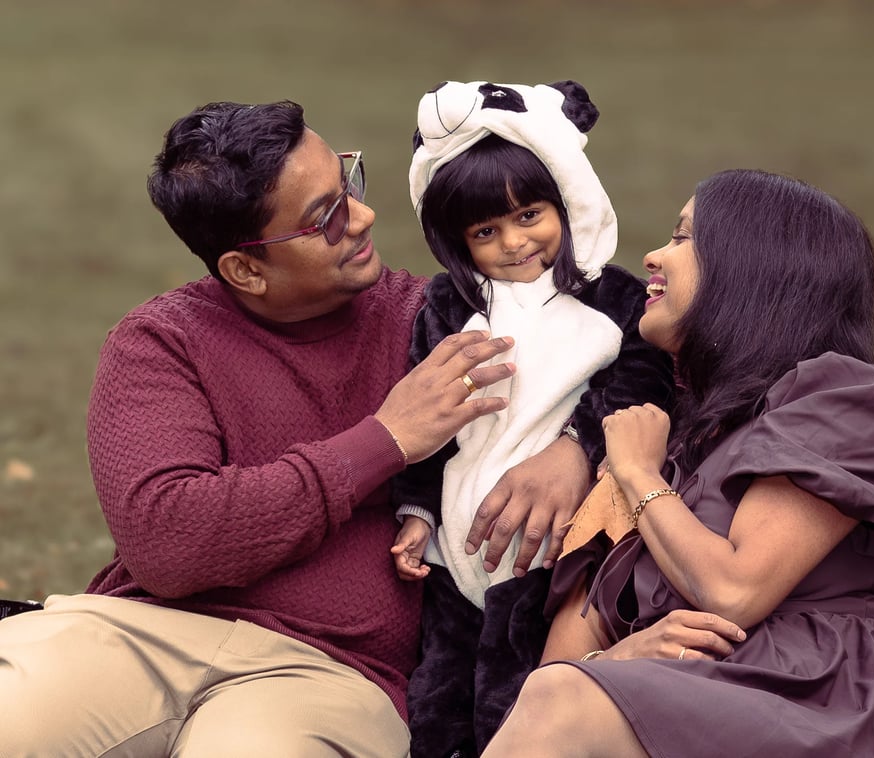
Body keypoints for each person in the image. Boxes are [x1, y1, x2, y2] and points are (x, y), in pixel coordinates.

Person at [0, 100, 592, 757]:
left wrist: (577, 449)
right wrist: (385, 441)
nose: (363, 217)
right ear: (245, 270)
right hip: (137, 633)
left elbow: (637, 367)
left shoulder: (437, 322)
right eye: (326, 218)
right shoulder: (162, 342)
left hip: (328, 670)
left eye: (349, 185)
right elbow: (170, 540)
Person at [483, 169, 874, 757]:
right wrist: (616, 657)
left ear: (753, 269)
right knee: (561, 693)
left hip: (818, 708)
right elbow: (556, 673)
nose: (654, 255)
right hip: (687, 709)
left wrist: (638, 475)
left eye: (684, 238)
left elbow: (735, 593)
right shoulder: (671, 436)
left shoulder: (834, 399)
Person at [391, 80, 675, 756]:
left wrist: (578, 444)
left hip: (556, 549)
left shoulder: (613, 299)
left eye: (530, 216)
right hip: (456, 543)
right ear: (458, 241)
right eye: (486, 231)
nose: (515, 243)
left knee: (516, 691)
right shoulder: (449, 307)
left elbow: (644, 387)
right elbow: (425, 420)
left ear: (566, 202)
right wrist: (415, 512)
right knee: (437, 695)